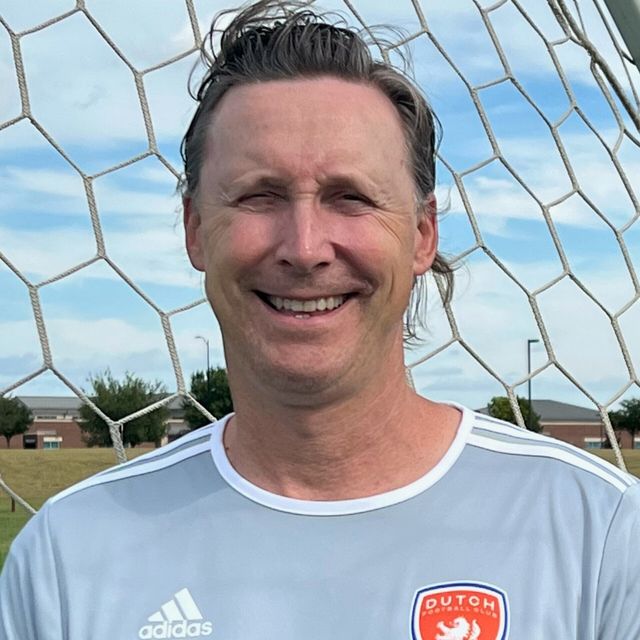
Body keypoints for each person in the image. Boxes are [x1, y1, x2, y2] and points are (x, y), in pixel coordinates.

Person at [1, 2, 638, 638]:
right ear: (195, 230)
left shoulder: (602, 533)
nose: (305, 248)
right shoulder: (66, 557)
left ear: (422, 235)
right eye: (259, 196)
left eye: (350, 198)